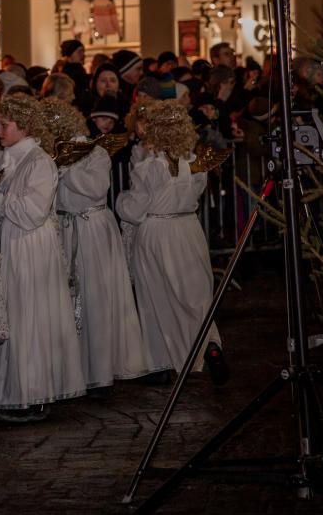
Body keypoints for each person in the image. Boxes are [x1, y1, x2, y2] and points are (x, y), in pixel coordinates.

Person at [40, 100, 154, 393]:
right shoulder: (49, 155)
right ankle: (75, 367)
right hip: (66, 229)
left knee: (96, 294)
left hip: (92, 229)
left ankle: (102, 368)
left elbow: (95, 187)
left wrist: (66, 170)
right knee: (71, 298)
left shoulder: (95, 152)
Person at [0, 93, 85, 421]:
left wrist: (0, 203)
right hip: (10, 242)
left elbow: (33, 212)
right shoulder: (2, 158)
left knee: (29, 315)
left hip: (30, 245)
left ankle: (35, 392)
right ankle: (16, 390)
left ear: (25, 126)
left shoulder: (40, 161)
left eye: (4, 125)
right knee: (11, 315)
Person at [115, 101, 228, 384]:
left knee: (157, 297)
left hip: (157, 232)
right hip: (189, 229)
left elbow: (136, 209)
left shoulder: (148, 168)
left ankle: (162, 361)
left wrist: (120, 202)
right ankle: (208, 345)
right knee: (195, 295)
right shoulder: (197, 164)